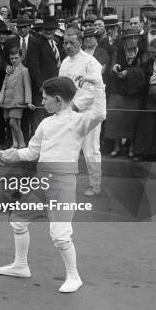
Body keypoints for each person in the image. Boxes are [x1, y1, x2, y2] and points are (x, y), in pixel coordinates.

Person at [0, 75, 106, 293]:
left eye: (45, 98)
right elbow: (31, 152)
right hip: (42, 181)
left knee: (60, 234)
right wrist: (1, 154)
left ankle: (73, 276)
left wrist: (97, 84)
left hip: (63, 183)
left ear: (58, 100)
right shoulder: (46, 123)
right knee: (18, 221)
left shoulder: (77, 122)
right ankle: (20, 266)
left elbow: (100, 113)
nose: (42, 102)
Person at [59, 27, 104, 196]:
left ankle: (95, 184)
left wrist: (74, 106)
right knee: (68, 149)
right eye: (65, 43)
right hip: (69, 113)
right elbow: (62, 86)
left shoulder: (91, 62)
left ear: (80, 42)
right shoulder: (64, 62)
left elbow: (94, 91)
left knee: (91, 149)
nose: (68, 46)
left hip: (88, 113)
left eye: (72, 42)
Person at [105, 28, 146, 159]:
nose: (133, 41)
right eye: (130, 38)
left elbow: (143, 70)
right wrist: (115, 68)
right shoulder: (118, 51)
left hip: (133, 92)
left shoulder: (142, 53)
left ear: (138, 39)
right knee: (116, 119)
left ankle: (132, 149)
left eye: (135, 38)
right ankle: (116, 148)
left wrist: (129, 73)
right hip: (118, 91)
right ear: (125, 40)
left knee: (132, 120)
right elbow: (112, 67)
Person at [0, 47, 34, 149]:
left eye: (16, 58)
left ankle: (22, 143)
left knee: (14, 122)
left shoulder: (24, 71)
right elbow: (4, 86)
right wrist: (0, 100)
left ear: (21, 57)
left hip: (17, 102)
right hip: (7, 102)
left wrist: (28, 102)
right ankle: (15, 143)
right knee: (11, 124)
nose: (14, 60)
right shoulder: (9, 70)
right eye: (11, 58)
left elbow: (27, 87)